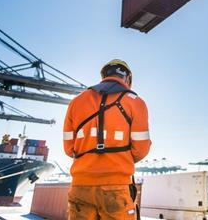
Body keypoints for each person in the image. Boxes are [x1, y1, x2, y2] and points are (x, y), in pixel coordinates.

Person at [63, 59, 151, 220]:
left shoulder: (76, 102)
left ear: (103, 76)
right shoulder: (136, 102)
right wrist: (119, 158)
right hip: (116, 188)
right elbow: (141, 149)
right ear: (127, 78)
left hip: (80, 186)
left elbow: (69, 148)